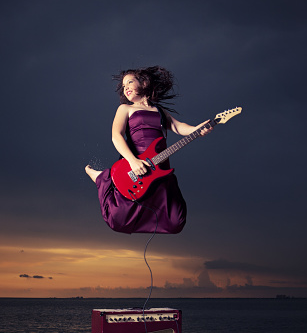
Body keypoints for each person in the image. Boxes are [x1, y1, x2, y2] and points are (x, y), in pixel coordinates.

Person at [85, 66, 212, 234]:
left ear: (144, 82)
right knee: (118, 218)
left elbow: (179, 127)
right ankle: (103, 178)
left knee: (176, 222)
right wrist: (133, 161)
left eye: (130, 82)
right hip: (137, 164)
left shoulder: (160, 111)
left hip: (161, 167)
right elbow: (116, 136)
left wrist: (198, 129)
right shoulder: (125, 109)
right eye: (124, 86)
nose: (126, 88)